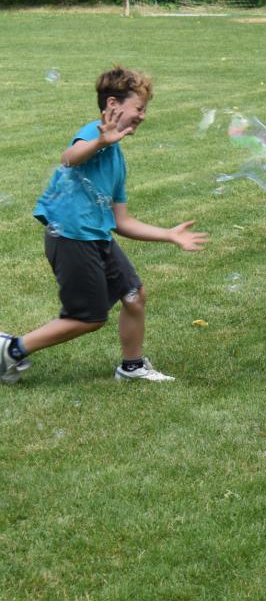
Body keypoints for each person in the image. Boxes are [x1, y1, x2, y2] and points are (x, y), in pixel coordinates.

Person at [1, 67, 208, 385]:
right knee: (88, 318)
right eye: (139, 108)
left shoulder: (117, 158)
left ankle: (132, 366)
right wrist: (99, 141)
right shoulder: (93, 134)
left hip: (96, 237)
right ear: (113, 104)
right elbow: (69, 157)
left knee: (134, 295)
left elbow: (121, 221)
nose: (143, 116)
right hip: (70, 237)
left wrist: (169, 234)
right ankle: (11, 349)